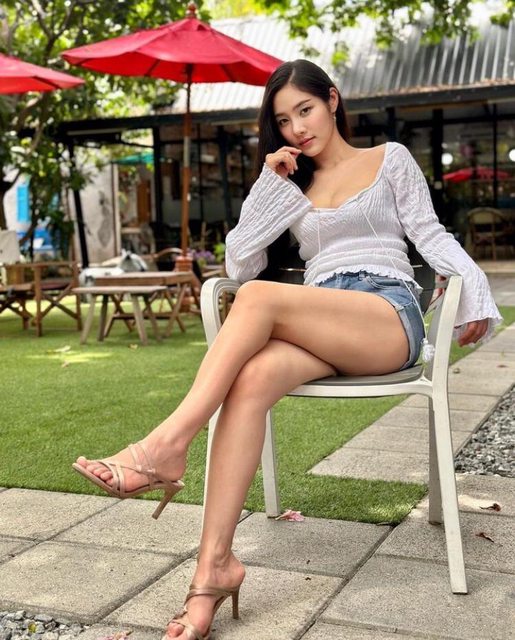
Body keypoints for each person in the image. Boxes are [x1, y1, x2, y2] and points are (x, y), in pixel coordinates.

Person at [73, 59, 502, 640]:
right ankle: (213, 569)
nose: (298, 128)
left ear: (332, 101)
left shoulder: (390, 158)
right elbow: (240, 261)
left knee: (256, 300)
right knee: (250, 382)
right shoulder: (291, 185)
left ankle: (164, 447)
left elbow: (429, 234)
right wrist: (268, 186)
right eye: (283, 120)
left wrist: (472, 286)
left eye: (305, 110)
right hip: (322, 319)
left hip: (384, 315)